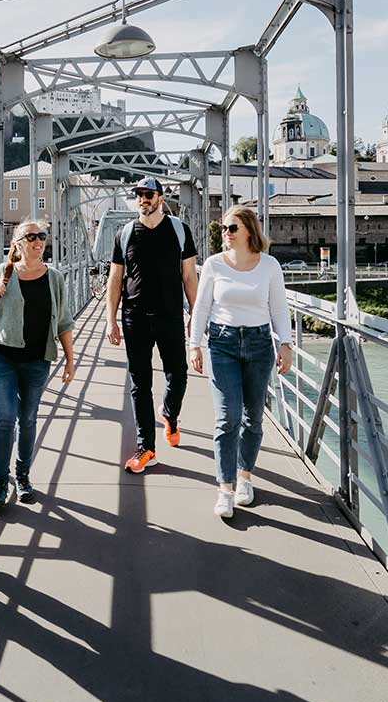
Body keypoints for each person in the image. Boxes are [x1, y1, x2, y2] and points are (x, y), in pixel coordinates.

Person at [188, 206, 293, 518]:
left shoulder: (270, 266)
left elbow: (279, 307)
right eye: (223, 228)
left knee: (253, 418)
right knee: (227, 417)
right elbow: (202, 305)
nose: (225, 233)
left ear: (249, 230)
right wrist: (195, 345)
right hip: (223, 344)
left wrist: (285, 343)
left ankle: (245, 477)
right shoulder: (214, 264)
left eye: (232, 228)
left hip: (260, 344)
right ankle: (225, 488)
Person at [0, 218, 76, 511]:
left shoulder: (54, 278)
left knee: (28, 419)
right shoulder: (5, 272)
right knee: (5, 419)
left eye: (42, 235)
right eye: (31, 236)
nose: (38, 240)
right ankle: (1, 480)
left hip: (37, 361)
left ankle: (23, 476)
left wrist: (70, 359)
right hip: (3, 358)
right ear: (17, 243)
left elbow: (64, 321)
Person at [105, 176, 198, 473]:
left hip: (171, 315)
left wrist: (195, 313)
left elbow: (189, 277)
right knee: (139, 383)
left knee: (179, 375)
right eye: (139, 195)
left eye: (148, 194)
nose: (142, 199)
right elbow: (115, 279)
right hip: (134, 318)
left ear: (160, 197)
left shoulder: (179, 230)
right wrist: (111, 320)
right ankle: (146, 448)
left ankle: (170, 414)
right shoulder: (125, 233)